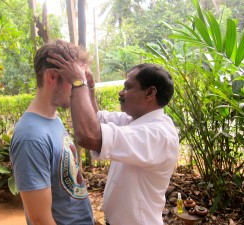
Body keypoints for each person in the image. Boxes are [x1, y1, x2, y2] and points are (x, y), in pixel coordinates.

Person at [47, 51, 180, 225]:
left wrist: (78, 83)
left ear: (150, 93)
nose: (121, 92)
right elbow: (95, 119)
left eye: (128, 87)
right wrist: (90, 88)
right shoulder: (135, 121)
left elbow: (89, 135)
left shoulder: (158, 135)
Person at [9, 39, 94, 225]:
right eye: (75, 80)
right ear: (52, 77)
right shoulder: (31, 138)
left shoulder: (52, 119)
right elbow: (41, 219)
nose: (79, 88)